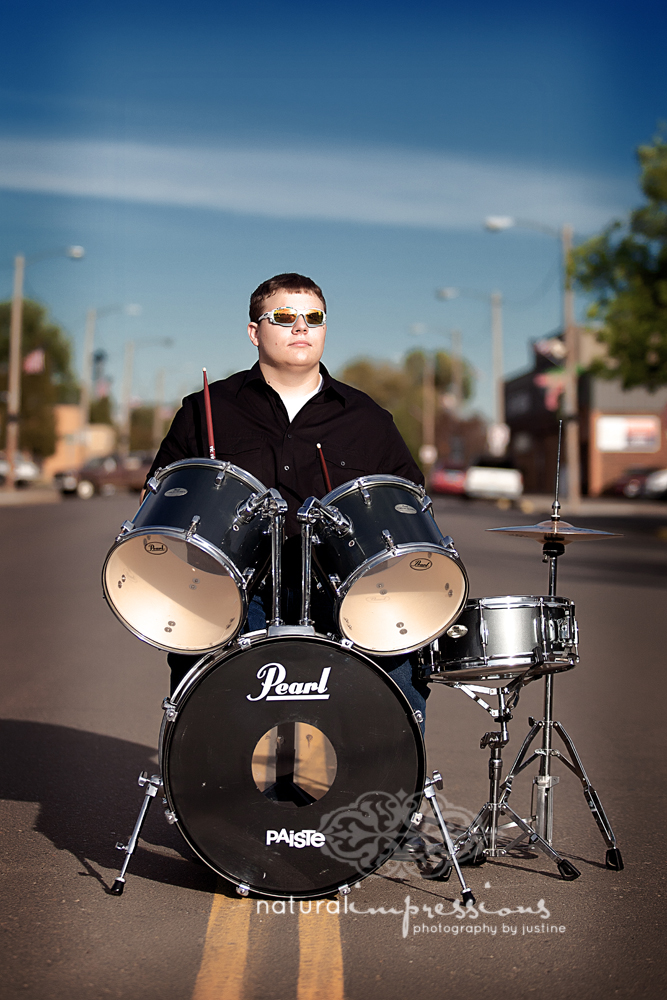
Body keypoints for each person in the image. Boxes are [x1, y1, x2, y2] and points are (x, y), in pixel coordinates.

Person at [147, 272, 430, 722]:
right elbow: (164, 497)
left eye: (313, 318)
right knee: (225, 726)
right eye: (283, 317)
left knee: (383, 718)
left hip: (344, 593)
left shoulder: (369, 419)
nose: (302, 327)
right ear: (254, 333)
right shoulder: (205, 409)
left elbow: (408, 506)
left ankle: (368, 789)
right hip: (235, 590)